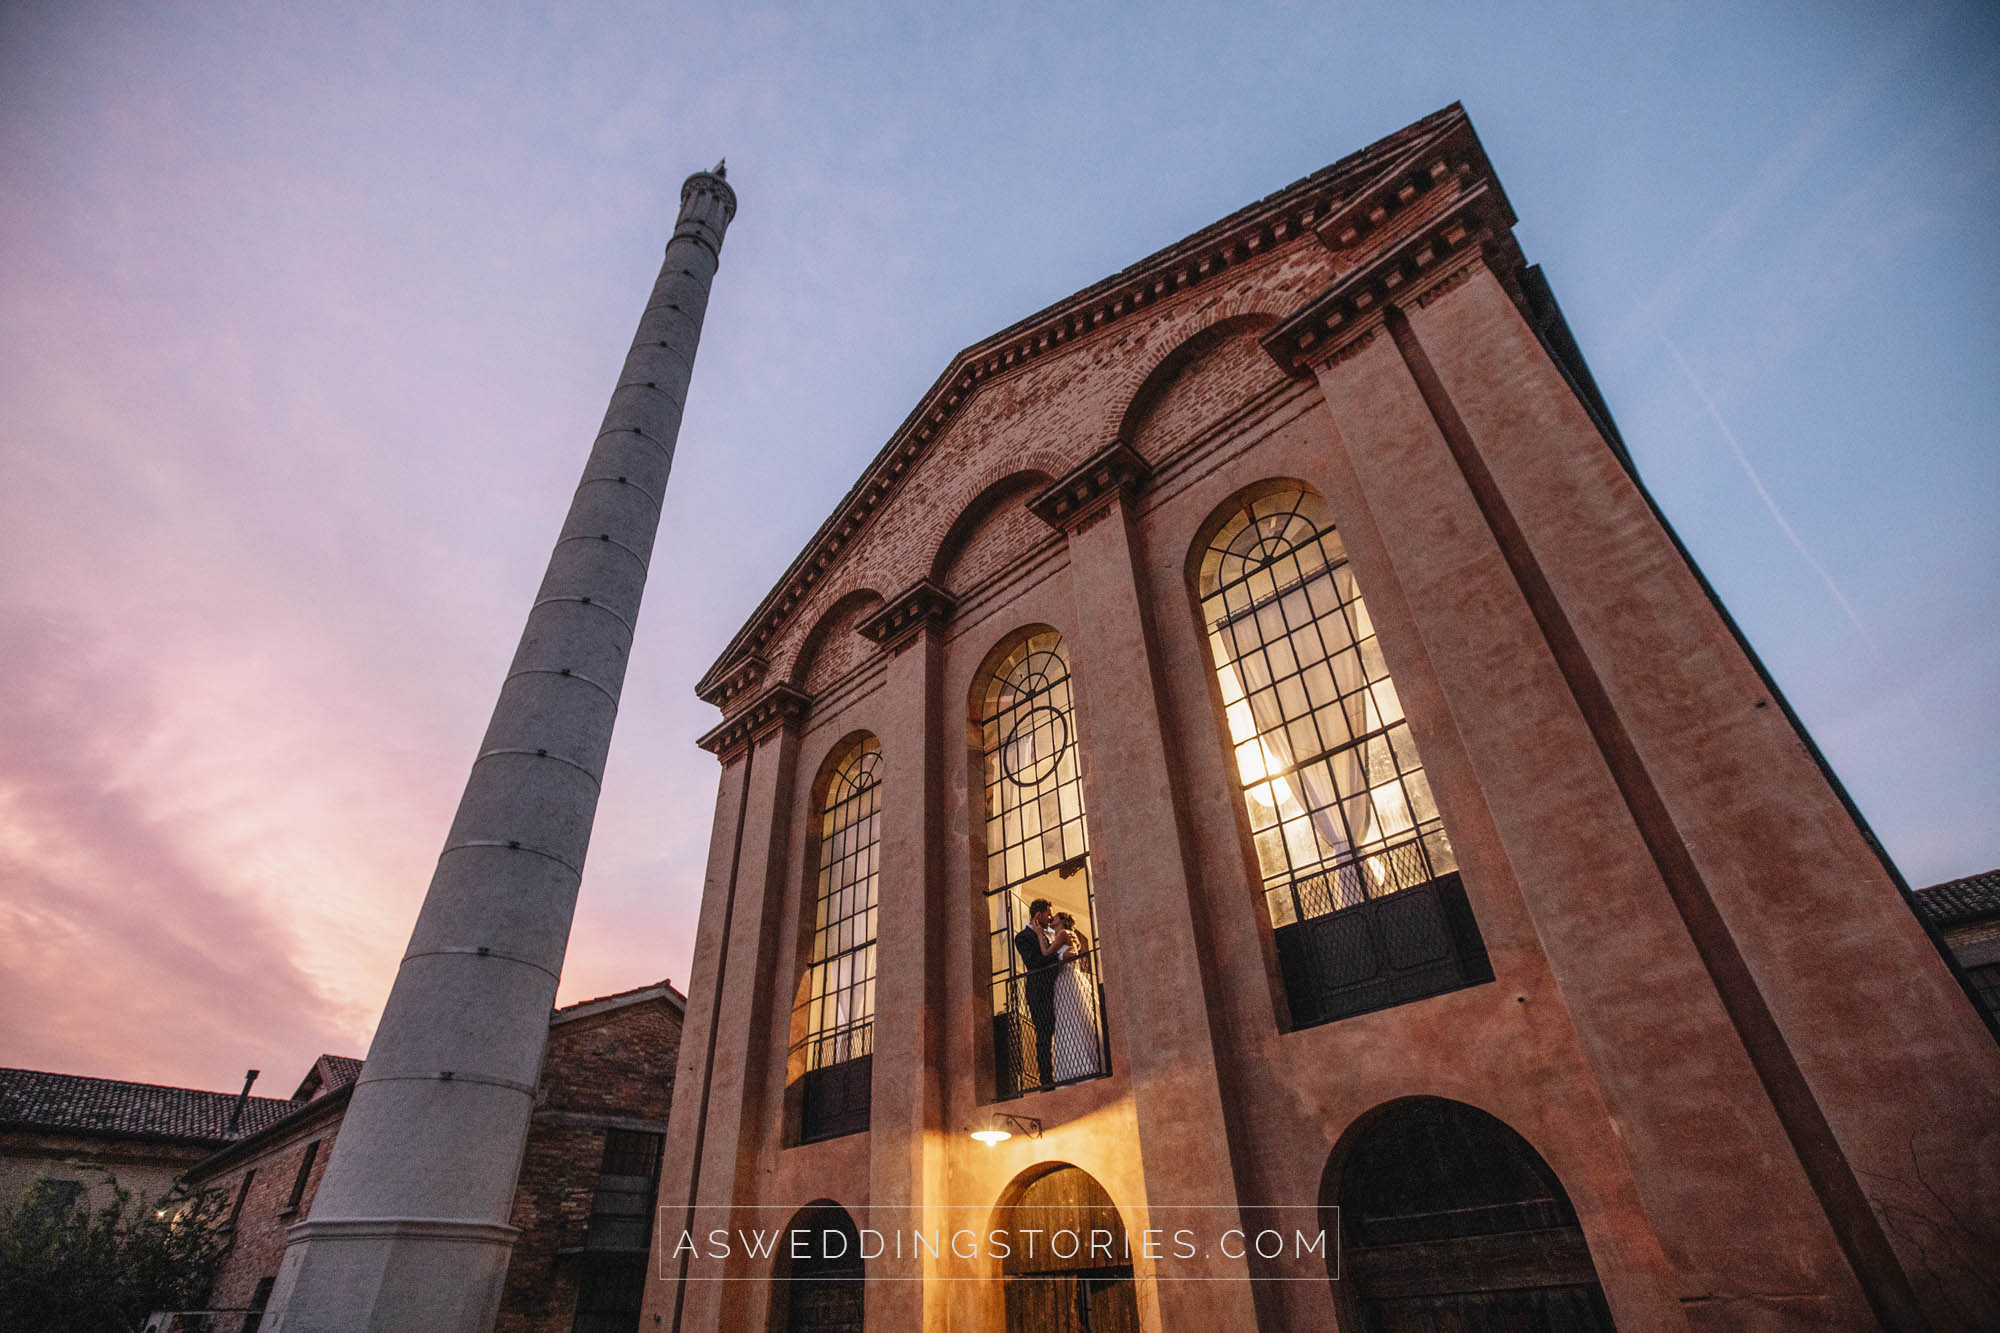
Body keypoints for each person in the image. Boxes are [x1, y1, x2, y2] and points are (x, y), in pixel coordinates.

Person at [1012, 898, 1063, 1090]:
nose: (1050, 917)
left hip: (1056, 989)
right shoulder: (1022, 937)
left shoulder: (1048, 934)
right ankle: (1046, 1081)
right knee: (1043, 1035)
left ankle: (1065, 1072)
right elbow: (1033, 962)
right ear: (1038, 915)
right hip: (1039, 991)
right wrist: (1057, 956)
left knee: (1062, 1031)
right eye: (1048, 914)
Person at [1049, 912, 1104, 1083]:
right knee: (1067, 1022)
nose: (1051, 918)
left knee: (1072, 1020)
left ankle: (1081, 1068)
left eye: (1054, 917)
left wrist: (1038, 935)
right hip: (1064, 980)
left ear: (1062, 921)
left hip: (1068, 979)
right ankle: (1072, 1069)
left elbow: (1047, 953)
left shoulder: (1064, 933)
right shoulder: (1062, 935)